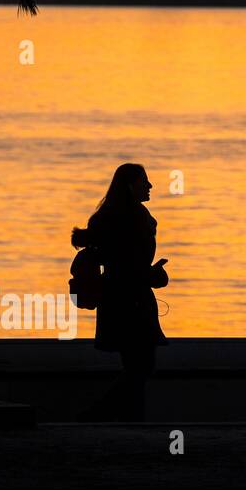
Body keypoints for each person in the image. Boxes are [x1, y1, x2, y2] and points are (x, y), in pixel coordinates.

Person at [72, 163, 171, 421]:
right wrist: (153, 275)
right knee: (142, 366)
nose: (150, 186)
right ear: (130, 185)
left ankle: (124, 417)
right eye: (144, 181)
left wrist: (149, 274)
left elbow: (121, 261)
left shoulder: (115, 216)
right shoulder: (131, 219)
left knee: (137, 365)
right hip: (130, 301)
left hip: (120, 299)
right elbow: (127, 264)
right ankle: (100, 415)